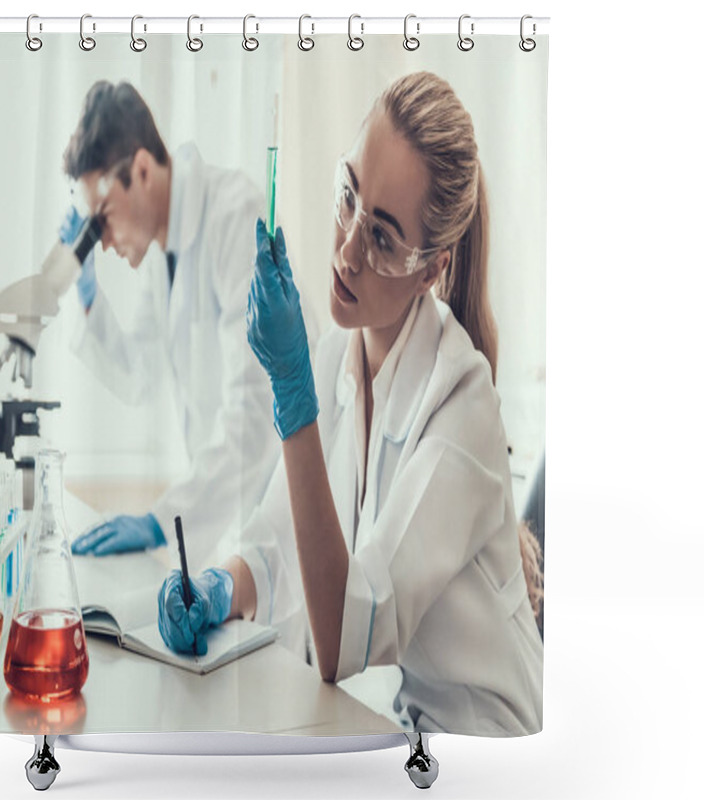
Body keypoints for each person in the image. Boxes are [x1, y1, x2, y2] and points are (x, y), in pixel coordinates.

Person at [157, 72, 544, 736]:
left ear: (430, 269)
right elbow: (278, 540)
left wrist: (289, 396)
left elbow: (343, 638)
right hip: (408, 733)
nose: (346, 250)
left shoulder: (462, 407)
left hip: (489, 751)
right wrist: (221, 585)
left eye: (383, 237)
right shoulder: (342, 355)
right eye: (348, 198)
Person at [59, 81, 279, 567]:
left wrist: (162, 520)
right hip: (228, 520)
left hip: (277, 515)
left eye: (104, 218)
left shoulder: (234, 215)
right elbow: (139, 374)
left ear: (141, 170)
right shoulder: (162, 253)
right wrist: (87, 294)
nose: (105, 241)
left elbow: (257, 410)